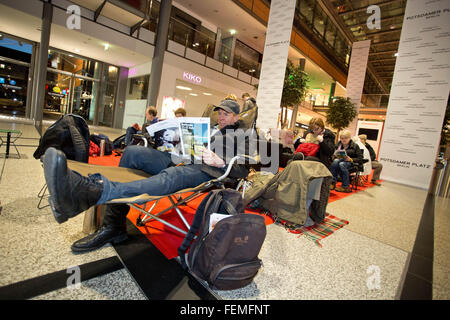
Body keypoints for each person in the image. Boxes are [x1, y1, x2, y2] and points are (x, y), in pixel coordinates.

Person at [43, 99, 251, 253]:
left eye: (226, 114)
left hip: (205, 170)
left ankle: (93, 192)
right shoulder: (210, 128)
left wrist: (220, 161)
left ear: (236, 117)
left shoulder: (242, 135)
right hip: (178, 157)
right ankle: (115, 225)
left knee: (170, 177)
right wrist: (166, 139)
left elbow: (243, 169)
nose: (221, 117)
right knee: (133, 152)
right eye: (220, 113)